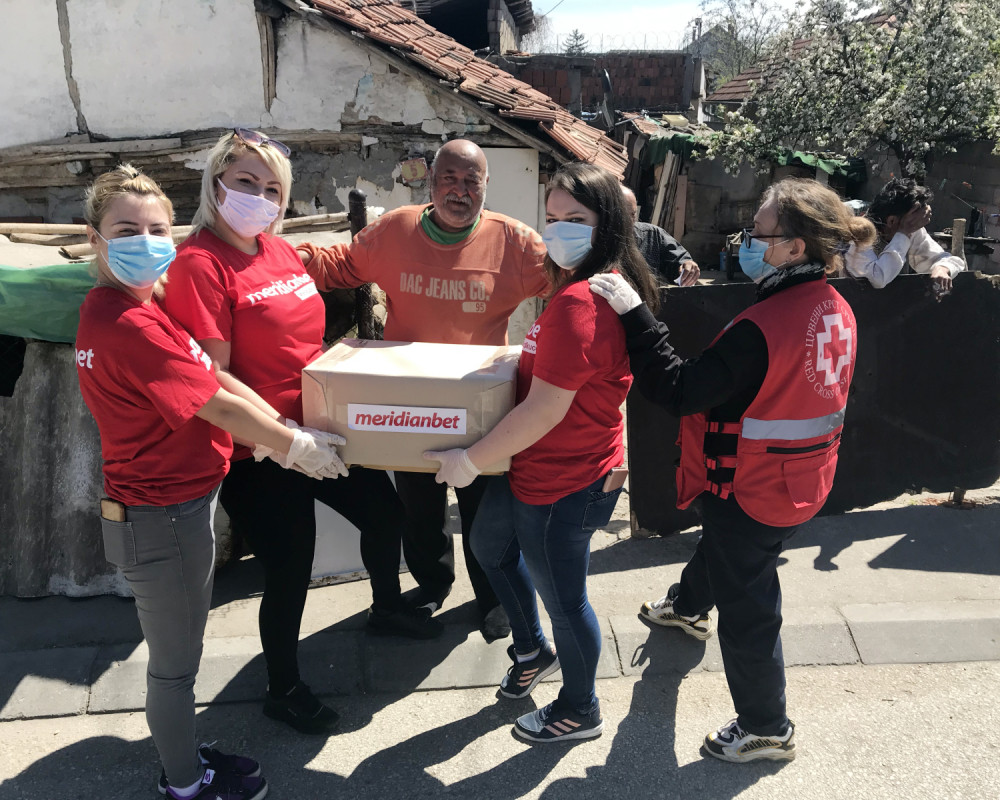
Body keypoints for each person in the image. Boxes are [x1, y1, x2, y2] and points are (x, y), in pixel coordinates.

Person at [76, 166, 346, 799]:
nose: (144, 240)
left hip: (172, 508)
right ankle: (186, 783)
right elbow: (216, 408)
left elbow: (215, 379)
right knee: (175, 668)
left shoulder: (128, 305)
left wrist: (282, 432)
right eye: (125, 229)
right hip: (160, 515)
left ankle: (181, 754)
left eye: (156, 228)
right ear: (95, 238)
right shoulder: (131, 325)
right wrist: (293, 446)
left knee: (179, 658)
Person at [160, 129, 435, 740]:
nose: (259, 196)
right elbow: (216, 374)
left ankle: (386, 606)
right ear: (215, 184)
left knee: (385, 515)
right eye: (246, 182)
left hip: (322, 427)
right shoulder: (199, 264)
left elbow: (306, 339)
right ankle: (283, 689)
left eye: (272, 188)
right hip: (258, 448)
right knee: (290, 564)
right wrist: (283, 436)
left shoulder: (278, 252)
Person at [590, 177, 871, 763]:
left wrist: (636, 316)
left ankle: (767, 727)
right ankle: (689, 608)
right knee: (728, 550)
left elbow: (680, 388)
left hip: (752, 488)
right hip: (804, 478)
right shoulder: (834, 306)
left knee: (750, 610)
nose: (748, 240)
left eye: (759, 231)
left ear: (795, 246)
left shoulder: (763, 327)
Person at [425, 162, 659, 742]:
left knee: (567, 600)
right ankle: (532, 652)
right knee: (487, 545)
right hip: (537, 465)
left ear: (607, 225)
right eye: (551, 218)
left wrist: (471, 460)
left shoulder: (583, 301)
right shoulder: (580, 287)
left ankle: (580, 708)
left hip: (564, 479)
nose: (557, 230)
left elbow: (546, 409)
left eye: (574, 220)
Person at [296, 139, 551, 640]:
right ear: (431, 184)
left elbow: (570, 284)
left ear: (485, 187)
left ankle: (493, 595)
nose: (460, 191)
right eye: (449, 180)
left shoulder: (516, 243)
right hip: (408, 400)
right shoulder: (395, 231)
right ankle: (433, 582)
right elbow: (340, 266)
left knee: (485, 508)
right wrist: (276, 257)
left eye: (471, 181)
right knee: (419, 505)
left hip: (482, 402)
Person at [845, 177, 965, 298]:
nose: (915, 227)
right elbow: (877, 278)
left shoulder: (910, 230)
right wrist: (903, 234)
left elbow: (947, 260)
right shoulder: (859, 232)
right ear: (892, 221)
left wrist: (942, 268)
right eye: (913, 221)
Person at [621, 185, 700, 286]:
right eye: (622, 215)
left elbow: (679, 260)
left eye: (633, 214)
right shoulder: (597, 239)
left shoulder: (652, 235)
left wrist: (688, 266)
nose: (628, 221)